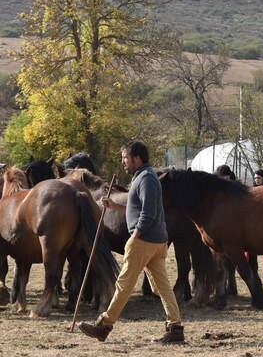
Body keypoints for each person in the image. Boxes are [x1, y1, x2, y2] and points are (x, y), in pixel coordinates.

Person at [79, 141, 184, 344]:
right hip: (154, 241)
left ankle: (104, 326)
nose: (123, 161)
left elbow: (148, 212)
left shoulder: (146, 179)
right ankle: (175, 328)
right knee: (161, 287)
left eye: (125, 157)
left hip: (144, 241)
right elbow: (136, 208)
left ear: (137, 158)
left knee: (124, 284)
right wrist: (114, 206)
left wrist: (135, 235)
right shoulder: (143, 177)